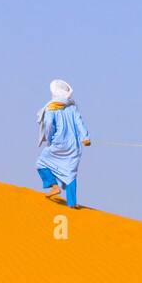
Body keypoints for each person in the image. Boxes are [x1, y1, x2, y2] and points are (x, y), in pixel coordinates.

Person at [36, 79, 90, 208]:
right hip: (74, 145)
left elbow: (49, 125)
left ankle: (54, 186)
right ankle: (72, 203)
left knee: (41, 163)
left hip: (58, 142)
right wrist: (85, 137)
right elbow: (79, 122)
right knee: (71, 172)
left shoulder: (51, 107)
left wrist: (49, 140)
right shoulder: (72, 106)